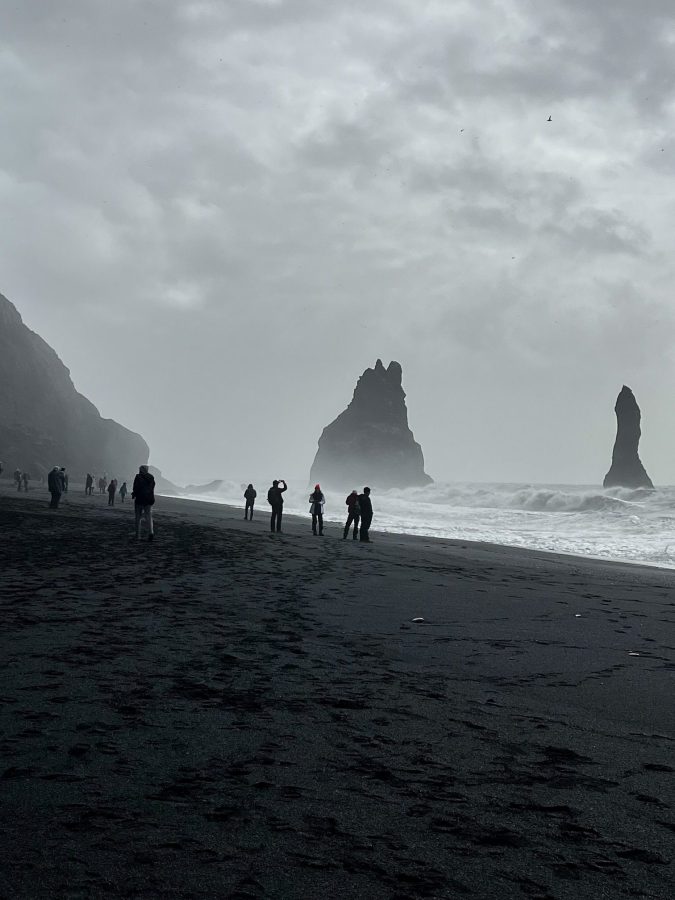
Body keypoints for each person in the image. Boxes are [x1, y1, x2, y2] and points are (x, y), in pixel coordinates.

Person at [132, 465, 155, 541]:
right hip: (149, 500)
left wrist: (134, 494)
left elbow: (135, 487)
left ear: (141, 470)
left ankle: (137, 535)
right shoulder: (151, 477)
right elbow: (152, 489)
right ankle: (151, 532)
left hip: (139, 499)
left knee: (138, 518)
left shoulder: (138, 477)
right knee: (148, 517)